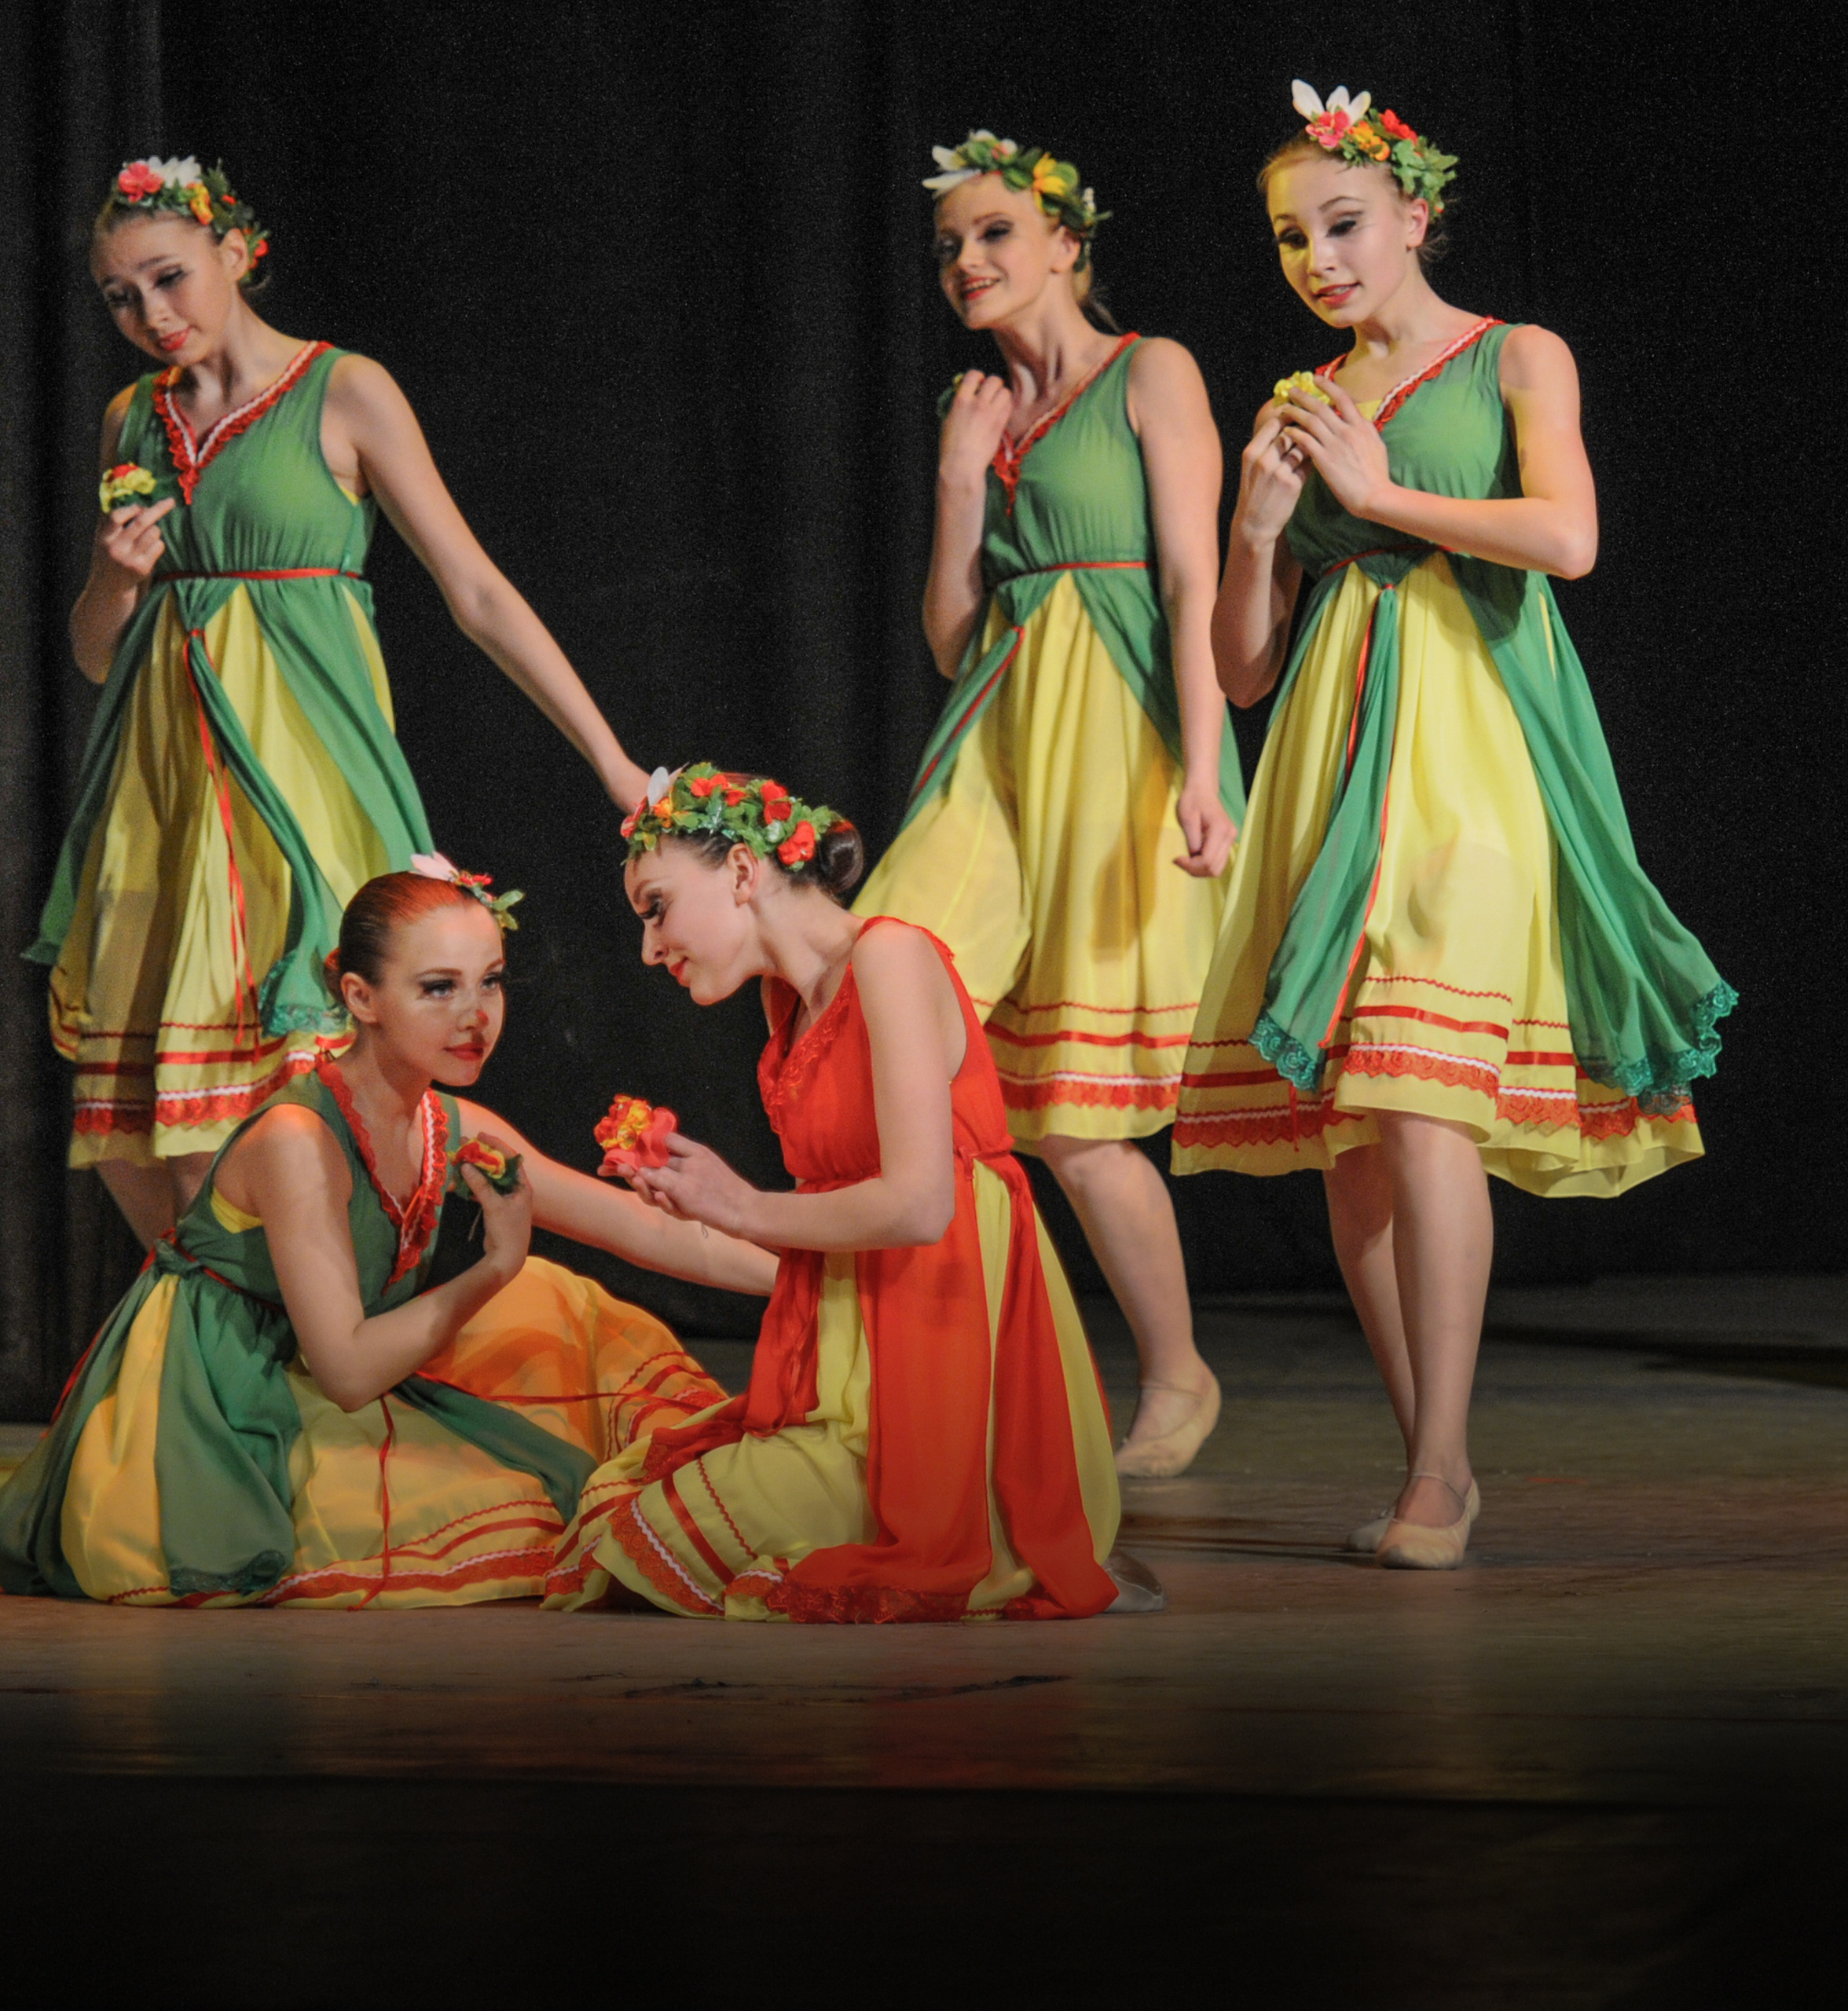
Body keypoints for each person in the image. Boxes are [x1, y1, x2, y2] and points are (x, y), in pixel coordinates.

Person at [1175, 85, 1735, 1567]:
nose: (1319, 259)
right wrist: (1251, 534)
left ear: (1416, 214)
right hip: (1328, 757)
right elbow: (1242, 669)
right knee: (1359, 1130)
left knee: (1426, 1100)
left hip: (1477, 746)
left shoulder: (1514, 356)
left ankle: (1439, 1468)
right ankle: (1435, 1456)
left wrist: (1383, 491)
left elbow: (1569, 538)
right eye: (1294, 237)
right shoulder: (1298, 397)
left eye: (1343, 225)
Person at [33, 156, 649, 1247]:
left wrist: (609, 760)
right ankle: (226, 1367)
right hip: (164, 794)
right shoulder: (132, 418)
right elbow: (95, 657)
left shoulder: (343, 389)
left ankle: (327, 1355)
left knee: (306, 1088)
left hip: (304, 779)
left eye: (170, 278)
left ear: (236, 253)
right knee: (160, 1136)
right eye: (121, 296)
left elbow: (474, 590)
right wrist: (115, 579)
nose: (150, 314)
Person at [0, 860, 772, 1607]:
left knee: (576, 1315)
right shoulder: (299, 1139)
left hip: (329, 1356)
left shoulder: (449, 1121)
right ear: (360, 997)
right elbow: (350, 1372)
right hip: (225, 1397)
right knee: (519, 1491)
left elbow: (647, 1231)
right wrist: (495, 1266)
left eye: (489, 982)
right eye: (438, 988)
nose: (475, 1016)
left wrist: (829, 1269)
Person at [542, 764, 1160, 1621]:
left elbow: (918, 1206)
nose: (649, 948)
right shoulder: (786, 1001)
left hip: (944, 1356)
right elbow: (828, 1217)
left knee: (651, 1536)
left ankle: (983, 1509)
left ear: (744, 872)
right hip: (861, 1355)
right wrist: (694, 1195)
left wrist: (738, 1202)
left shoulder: (890, 955)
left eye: (656, 907)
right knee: (629, 1503)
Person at [853, 131, 1245, 1478]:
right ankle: (922, 1374)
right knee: (886, 989)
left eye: (997, 234)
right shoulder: (981, 413)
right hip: (997, 736)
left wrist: (1203, 765)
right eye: (952, 243)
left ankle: (1177, 1373)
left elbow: (1194, 582)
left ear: (1069, 243)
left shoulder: (1153, 372)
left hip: (1117, 739)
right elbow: (954, 638)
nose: (967, 261)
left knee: (1073, 1114)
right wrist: (961, 485)